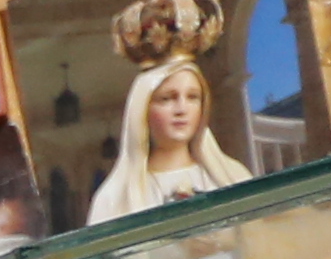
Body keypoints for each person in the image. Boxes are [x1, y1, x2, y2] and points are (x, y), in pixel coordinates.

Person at [93, 46, 243, 215]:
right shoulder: (116, 198)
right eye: (167, 98)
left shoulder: (233, 177)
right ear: (143, 109)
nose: (181, 109)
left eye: (192, 97)